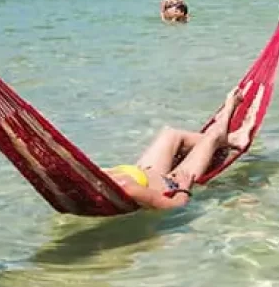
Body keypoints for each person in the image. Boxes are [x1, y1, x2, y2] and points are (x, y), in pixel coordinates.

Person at [105, 88, 253, 210]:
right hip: (172, 183)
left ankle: (231, 139)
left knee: (171, 134)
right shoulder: (127, 189)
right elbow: (175, 205)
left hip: (144, 172)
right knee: (212, 137)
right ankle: (226, 127)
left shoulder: (96, 177)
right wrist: (183, 187)